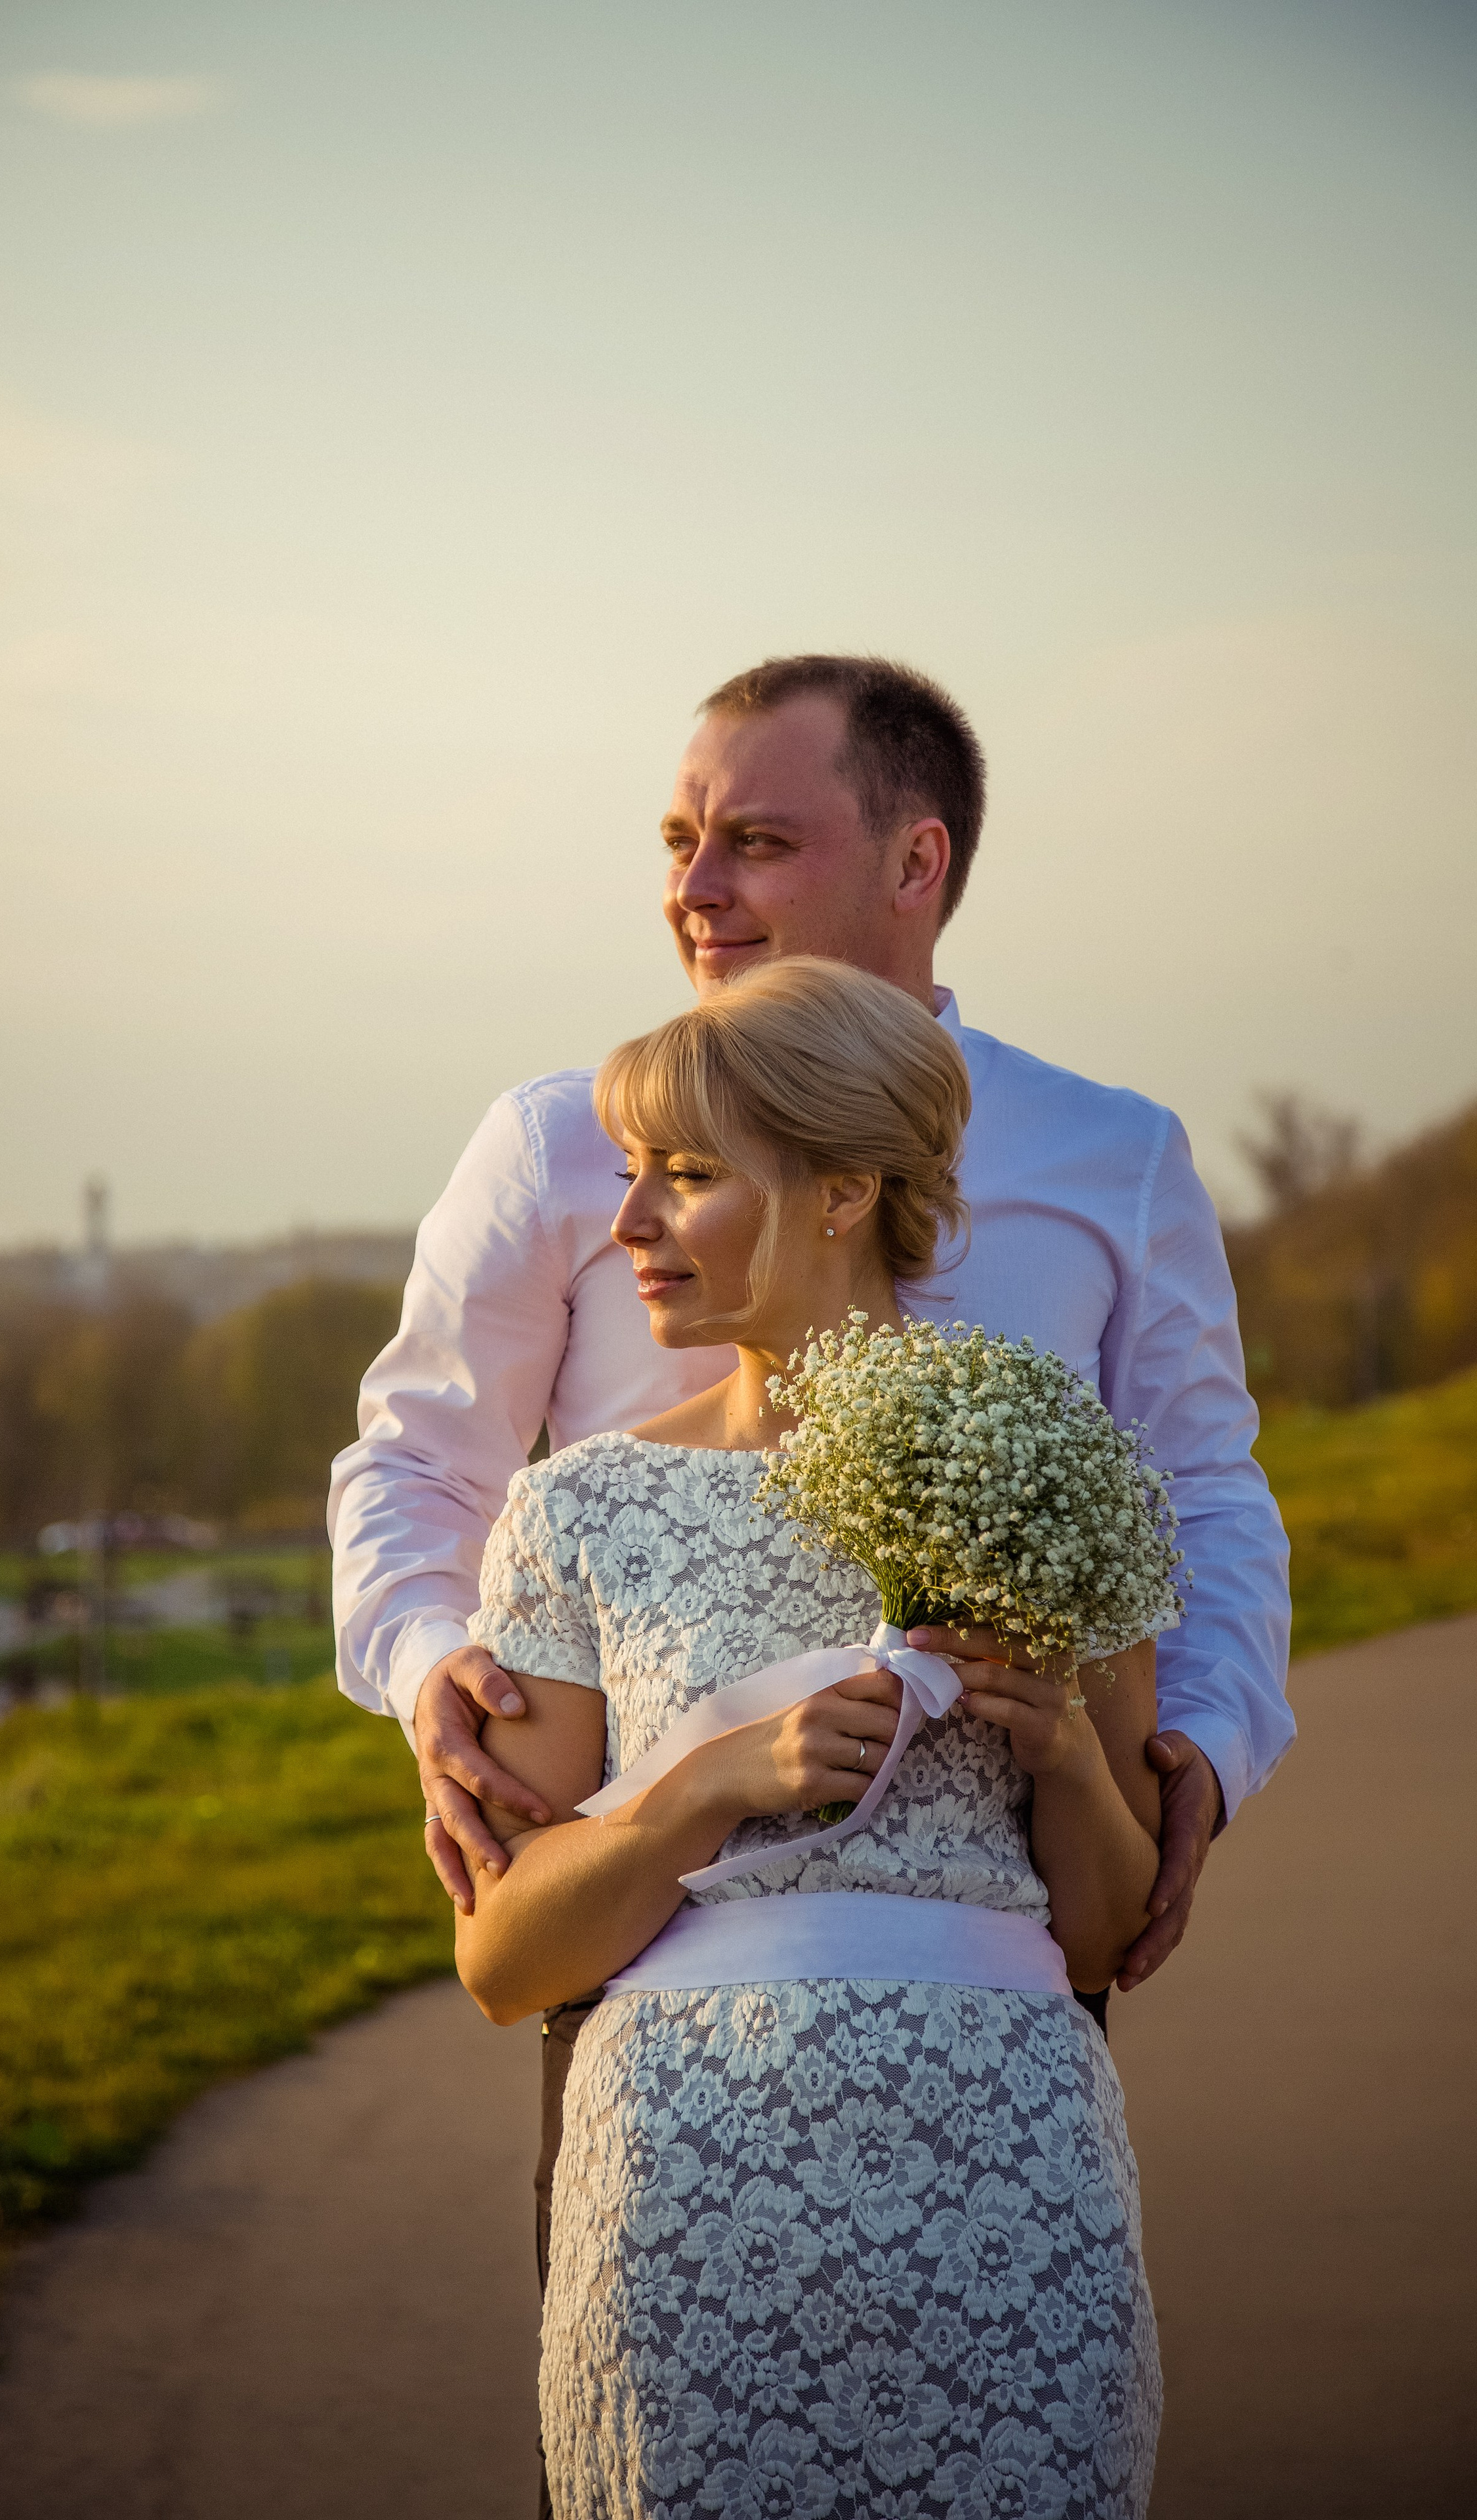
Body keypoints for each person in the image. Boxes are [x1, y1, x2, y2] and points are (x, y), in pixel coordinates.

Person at [327, 654, 1291, 2459]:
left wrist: (1194, 1762)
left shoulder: (1113, 1154)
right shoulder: (556, 1136)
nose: (696, 889)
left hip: (995, 1965)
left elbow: (1204, 1494)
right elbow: (420, 1459)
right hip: (660, 1955)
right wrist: (433, 1680)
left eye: (755, 841)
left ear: (916, 863)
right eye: (680, 840)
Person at [456, 957, 1165, 2517]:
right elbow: (503, 1964)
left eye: (688, 1177)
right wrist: (701, 1791)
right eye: (631, 1175)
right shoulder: (580, 1507)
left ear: (843, 1191)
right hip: (686, 2191)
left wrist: (1054, 1751)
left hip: (1002, 2169)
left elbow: (1109, 1934)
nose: (629, 1222)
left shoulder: (1041, 1464)